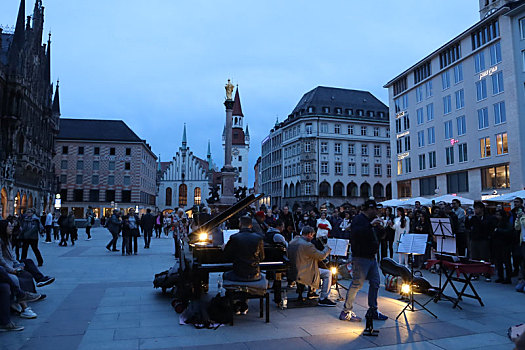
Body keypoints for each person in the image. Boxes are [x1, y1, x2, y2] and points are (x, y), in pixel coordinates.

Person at [340, 200, 388, 322]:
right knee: (357, 284)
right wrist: (371, 225)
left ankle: (373, 310)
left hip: (372, 257)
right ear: (367, 209)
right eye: (374, 209)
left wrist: (381, 228)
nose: (376, 212)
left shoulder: (373, 221)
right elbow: (357, 234)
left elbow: (381, 236)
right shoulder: (358, 219)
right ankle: (346, 311)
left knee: (375, 282)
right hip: (360, 257)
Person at [223, 216, 266, 315]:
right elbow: (262, 257)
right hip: (254, 274)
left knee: (226, 275)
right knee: (247, 277)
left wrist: (224, 248)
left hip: (238, 273)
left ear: (240, 224)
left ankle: (234, 302)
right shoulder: (258, 238)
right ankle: (244, 303)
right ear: (251, 225)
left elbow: (227, 257)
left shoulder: (234, 237)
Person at [0, 220, 55, 288]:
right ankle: (39, 280)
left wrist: (17, 264)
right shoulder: (1, 241)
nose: (12, 228)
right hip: (6, 266)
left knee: (28, 261)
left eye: (12, 226)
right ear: (3, 228)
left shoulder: (7, 238)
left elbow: (12, 256)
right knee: (26, 269)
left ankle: (40, 279)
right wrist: (13, 270)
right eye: (9, 226)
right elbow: (1, 260)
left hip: (11, 263)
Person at [288, 226, 334, 306]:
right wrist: (327, 248)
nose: (312, 237)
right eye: (312, 235)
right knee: (328, 273)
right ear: (309, 234)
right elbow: (321, 256)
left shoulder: (293, 241)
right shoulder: (307, 245)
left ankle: (312, 292)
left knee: (318, 268)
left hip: (293, 270)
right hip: (304, 272)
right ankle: (323, 298)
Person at [466, 201, 495, 282]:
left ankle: (487, 274)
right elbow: (468, 227)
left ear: (482, 209)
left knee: (485, 257)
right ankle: (475, 274)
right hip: (474, 239)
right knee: (474, 258)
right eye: (475, 208)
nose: (475, 210)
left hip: (484, 239)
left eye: (477, 208)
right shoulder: (473, 218)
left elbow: (488, 227)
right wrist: (467, 219)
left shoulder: (487, 218)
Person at [493, 209, 513, 284]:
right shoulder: (497, 222)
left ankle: (508, 277)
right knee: (499, 261)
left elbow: (509, 232)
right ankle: (500, 276)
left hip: (505, 244)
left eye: (498, 215)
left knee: (506, 261)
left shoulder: (506, 223)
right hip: (498, 244)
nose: (497, 216)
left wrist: (498, 231)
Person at [510, 198, 524, 277]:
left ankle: (521, 271)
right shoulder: (512, 212)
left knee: (521, 255)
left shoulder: (522, 212)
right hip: (514, 236)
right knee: (515, 255)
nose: (515, 203)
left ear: (521, 203)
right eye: (514, 202)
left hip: (521, 235)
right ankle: (516, 269)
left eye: (517, 202)